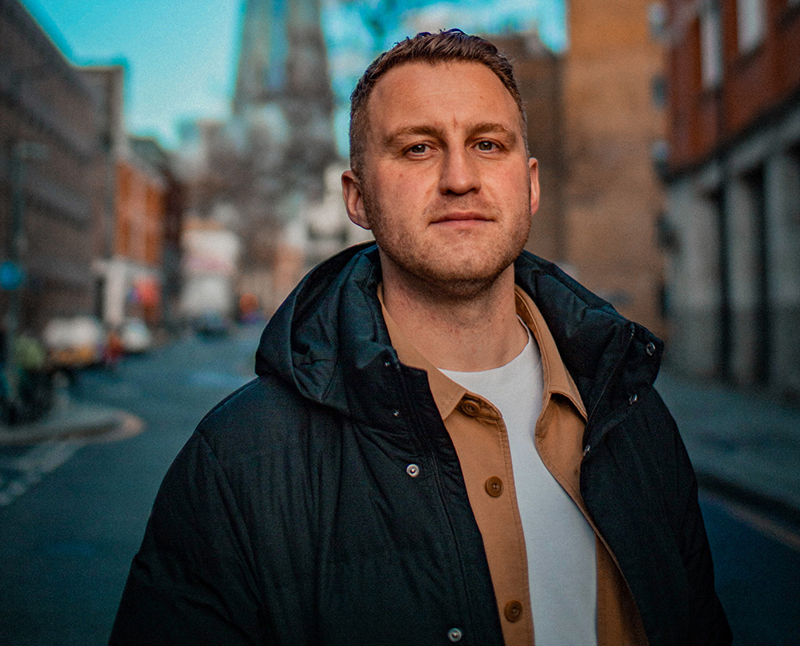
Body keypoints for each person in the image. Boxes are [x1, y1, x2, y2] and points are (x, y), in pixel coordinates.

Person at [110, 30, 731, 646]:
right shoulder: (238, 462)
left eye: (488, 144)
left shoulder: (633, 414)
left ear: (531, 184)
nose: (460, 177)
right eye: (417, 149)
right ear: (357, 197)